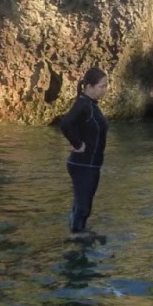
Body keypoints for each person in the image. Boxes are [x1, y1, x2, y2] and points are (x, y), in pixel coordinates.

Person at [56, 68, 109, 236]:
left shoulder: (90, 104)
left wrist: (77, 139)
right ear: (90, 86)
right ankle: (75, 240)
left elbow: (81, 127)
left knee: (82, 206)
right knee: (83, 207)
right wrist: (77, 144)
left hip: (89, 164)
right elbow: (65, 124)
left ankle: (76, 234)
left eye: (106, 86)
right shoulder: (83, 104)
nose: (105, 90)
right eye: (102, 86)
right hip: (83, 164)